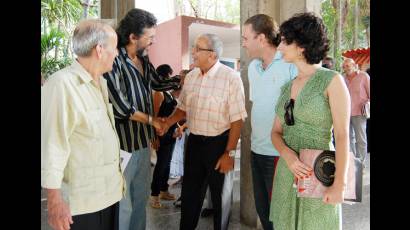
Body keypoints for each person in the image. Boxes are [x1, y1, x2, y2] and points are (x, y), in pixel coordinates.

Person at [157, 33, 247, 230]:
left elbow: (237, 119)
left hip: (219, 144)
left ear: (212, 55)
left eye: (198, 49)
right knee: (190, 194)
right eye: (194, 47)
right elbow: (182, 108)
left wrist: (229, 153)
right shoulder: (190, 77)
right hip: (195, 142)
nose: (193, 52)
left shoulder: (230, 78)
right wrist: (168, 122)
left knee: (220, 197)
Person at [269, 12, 351, 229]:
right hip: (289, 173)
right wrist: (288, 156)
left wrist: (339, 184)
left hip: (320, 171)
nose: (279, 47)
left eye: (285, 41)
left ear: (302, 45)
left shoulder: (332, 81)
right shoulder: (287, 87)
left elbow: (342, 136)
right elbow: (275, 132)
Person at [41, 19, 125, 230]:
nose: (116, 54)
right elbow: (52, 144)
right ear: (99, 50)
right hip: (82, 204)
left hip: (109, 195)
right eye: (114, 48)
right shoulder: (62, 84)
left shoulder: (100, 83)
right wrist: (54, 200)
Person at [103, 8, 179, 230]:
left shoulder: (144, 60)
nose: (152, 42)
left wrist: (184, 78)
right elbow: (120, 107)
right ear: (133, 37)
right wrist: (153, 120)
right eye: (150, 38)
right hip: (122, 146)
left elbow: (158, 83)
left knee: (140, 199)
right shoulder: (113, 60)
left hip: (142, 145)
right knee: (123, 203)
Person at [241, 14, 297, 230]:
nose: (244, 44)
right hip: (256, 151)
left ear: (261, 38)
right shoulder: (253, 69)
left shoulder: (290, 66)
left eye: (246, 38)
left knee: (280, 218)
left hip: (280, 155)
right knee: (264, 213)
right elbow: (259, 106)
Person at [150, 64, 181, 208]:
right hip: (161, 133)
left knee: (167, 163)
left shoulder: (167, 92)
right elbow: (154, 116)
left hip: (171, 133)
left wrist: (178, 127)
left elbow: (173, 114)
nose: (170, 78)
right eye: (169, 75)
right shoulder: (158, 93)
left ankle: (164, 190)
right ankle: (154, 195)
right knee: (161, 164)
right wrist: (154, 137)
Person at [342, 58, 370, 164]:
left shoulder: (363, 76)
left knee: (361, 139)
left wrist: (367, 104)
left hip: (359, 112)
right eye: (344, 67)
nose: (346, 68)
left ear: (354, 65)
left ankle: (361, 162)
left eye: (348, 66)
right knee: (348, 139)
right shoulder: (342, 78)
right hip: (345, 113)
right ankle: (352, 162)